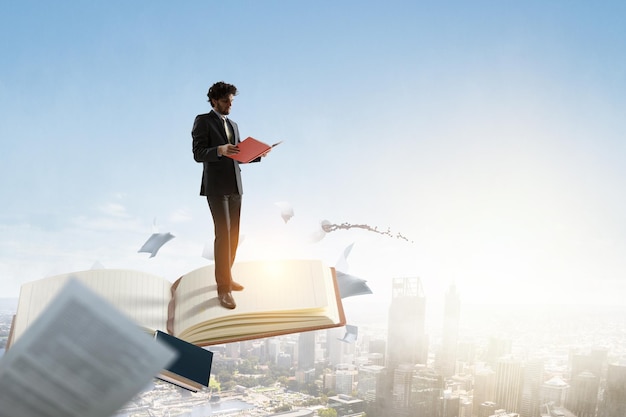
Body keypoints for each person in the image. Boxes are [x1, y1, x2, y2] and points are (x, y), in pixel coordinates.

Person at [192, 81, 265, 309]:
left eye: (232, 101)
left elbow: (239, 154)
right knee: (223, 235)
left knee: (234, 236)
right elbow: (198, 153)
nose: (229, 105)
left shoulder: (233, 124)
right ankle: (222, 288)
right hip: (216, 187)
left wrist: (259, 154)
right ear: (214, 100)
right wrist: (219, 150)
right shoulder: (203, 121)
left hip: (235, 185)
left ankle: (228, 277)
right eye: (225, 101)